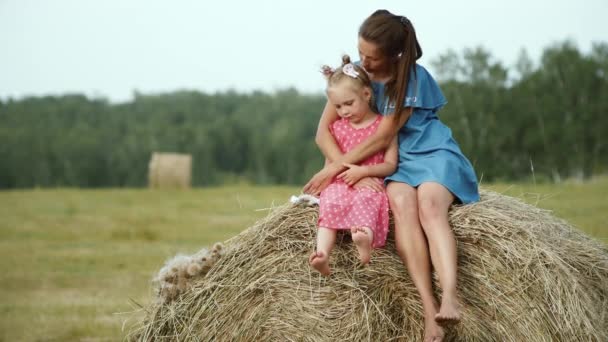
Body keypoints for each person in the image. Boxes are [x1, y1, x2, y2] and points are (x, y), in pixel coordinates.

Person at [303, 10, 480, 342]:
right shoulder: (354, 75)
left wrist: (334, 169)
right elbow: (323, 131)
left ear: (393, 54)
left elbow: (383, 137)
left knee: (429, 205)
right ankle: (430, 313)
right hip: (393, 163)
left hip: (428, 152)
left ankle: (451, 296)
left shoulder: (412, 77)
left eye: (372, 56)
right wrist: (341, 169)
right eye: (361, 51)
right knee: (401, 204)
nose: (363, 61)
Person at [308, 56, 398, 276]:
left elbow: (390, 165)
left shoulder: (383, 126)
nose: (344, 111)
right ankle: (322, 254)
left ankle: (363, 239)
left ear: (367, 95)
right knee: (331, 201)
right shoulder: (337, 129)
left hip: (369, 180)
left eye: (349, 104)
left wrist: (364, 172)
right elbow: (332, 165)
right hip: (342, 183)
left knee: (367, 198)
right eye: (338, 106)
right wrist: (325, 184)